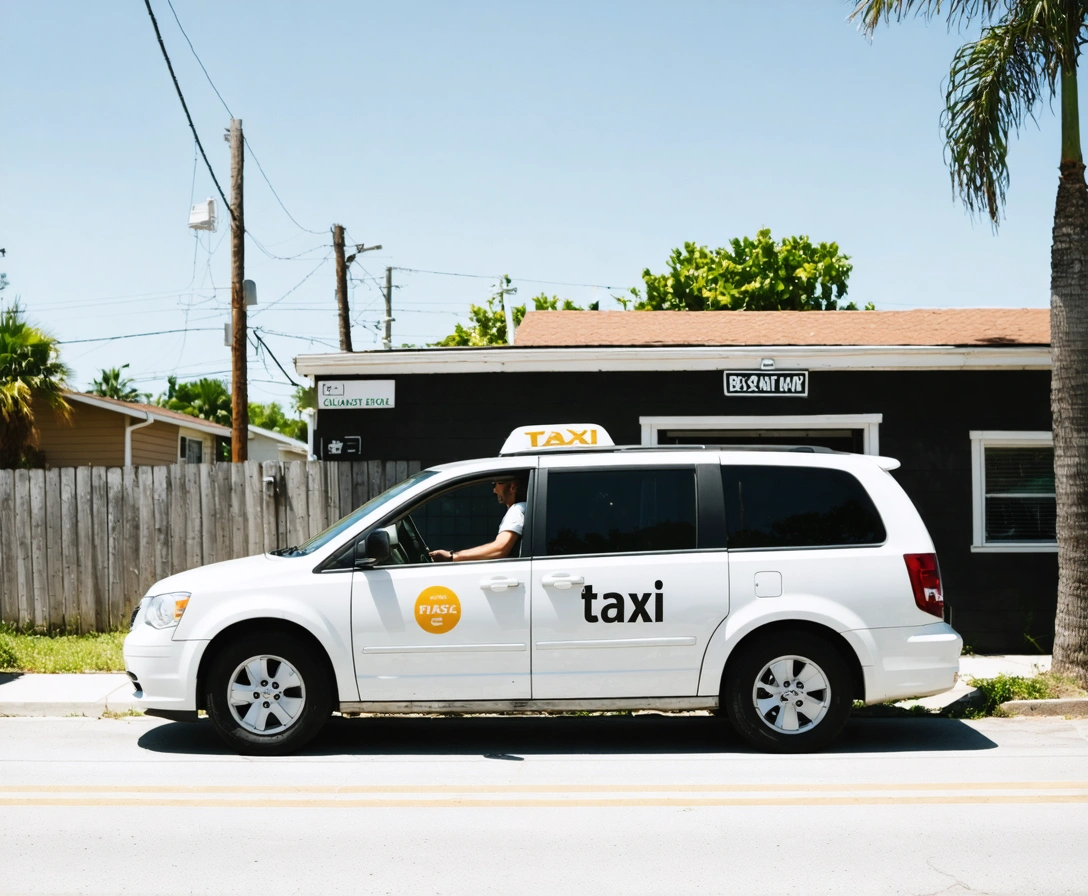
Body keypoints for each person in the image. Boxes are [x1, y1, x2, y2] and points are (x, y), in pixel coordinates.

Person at [429, 473, 527, 562]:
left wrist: (452, 557)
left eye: (495, 484)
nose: (494, 490)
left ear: (512, 487)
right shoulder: (525, 508)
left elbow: (500, 549)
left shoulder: (517, 510)